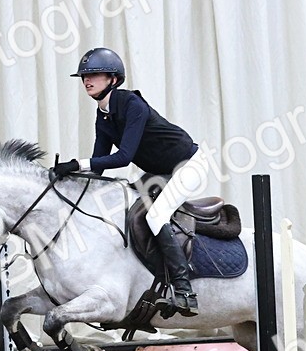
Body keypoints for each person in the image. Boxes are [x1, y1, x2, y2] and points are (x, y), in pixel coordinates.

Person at [55, 47, 209, 317]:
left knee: (156, 216)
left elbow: (123, 158)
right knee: (127, 211)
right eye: (83, 77)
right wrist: (65, 178)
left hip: (188, 165)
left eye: (94, 75)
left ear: (113, 79)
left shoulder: (131, 105)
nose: (86, 81)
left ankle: (185, 291)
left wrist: (77, 163)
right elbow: (99, 166)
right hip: (160, 172)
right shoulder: (103, 116)